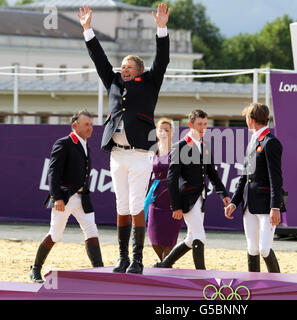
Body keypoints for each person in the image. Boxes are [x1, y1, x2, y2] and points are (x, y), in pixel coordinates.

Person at [77, 3, 170, 274]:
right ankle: (122, 257)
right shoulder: (114, 82)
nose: (123, 69)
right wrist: (88, 30)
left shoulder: (150, 82)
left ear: (139, 70)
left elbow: (162, 59)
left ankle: (138, 259)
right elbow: (99, 59)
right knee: (121, 205)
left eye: (129, 67)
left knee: (136, 205)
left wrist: (161, 28)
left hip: (140, 153)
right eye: (123, 66)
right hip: (117, 153)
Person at [29, 110, 103, 283]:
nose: (90, 128)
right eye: (86, 124)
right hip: (65, 198)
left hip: (83, 198)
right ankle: (35, 269)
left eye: (91, 125)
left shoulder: (85, 145)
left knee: (92, 231)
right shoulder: (64, 143)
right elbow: (53, 173)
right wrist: (57, 198)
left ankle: (99, 272)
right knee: (55, 234)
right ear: (75, 126)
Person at [154, 109, 231, 270]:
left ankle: (164, 264)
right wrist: (176, 206)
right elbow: (172, 178)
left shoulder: (205, 146)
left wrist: (222, 193)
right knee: (199, 236)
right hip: (187, 199)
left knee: (190, 238)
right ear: (190, 125)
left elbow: (212, 173)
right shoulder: (179, 146)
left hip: (201, 197)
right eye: (199, 124)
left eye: (205, 124)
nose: (203, 127)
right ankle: (201, 274)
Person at [224, 103, 283, 273]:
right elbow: (244, 176)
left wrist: (275, 206)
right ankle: (253, 287)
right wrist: (234, 203)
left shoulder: (270, 142)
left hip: (266, 206)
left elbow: (276, 177)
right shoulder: (253, 141)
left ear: (251, 120)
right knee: (252, 249)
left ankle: (277, 286)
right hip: (249, 205)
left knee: (264, 249)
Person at [145, 118, 184, 261]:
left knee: (171, 237)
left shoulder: (177, 151)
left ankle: (165, 265)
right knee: (153, 236)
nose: (163, 133)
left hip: (172, 196)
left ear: (172, 132)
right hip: (155, 196)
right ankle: (163, 263)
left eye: (167, 130)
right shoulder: (152, 151)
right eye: (160, 130)